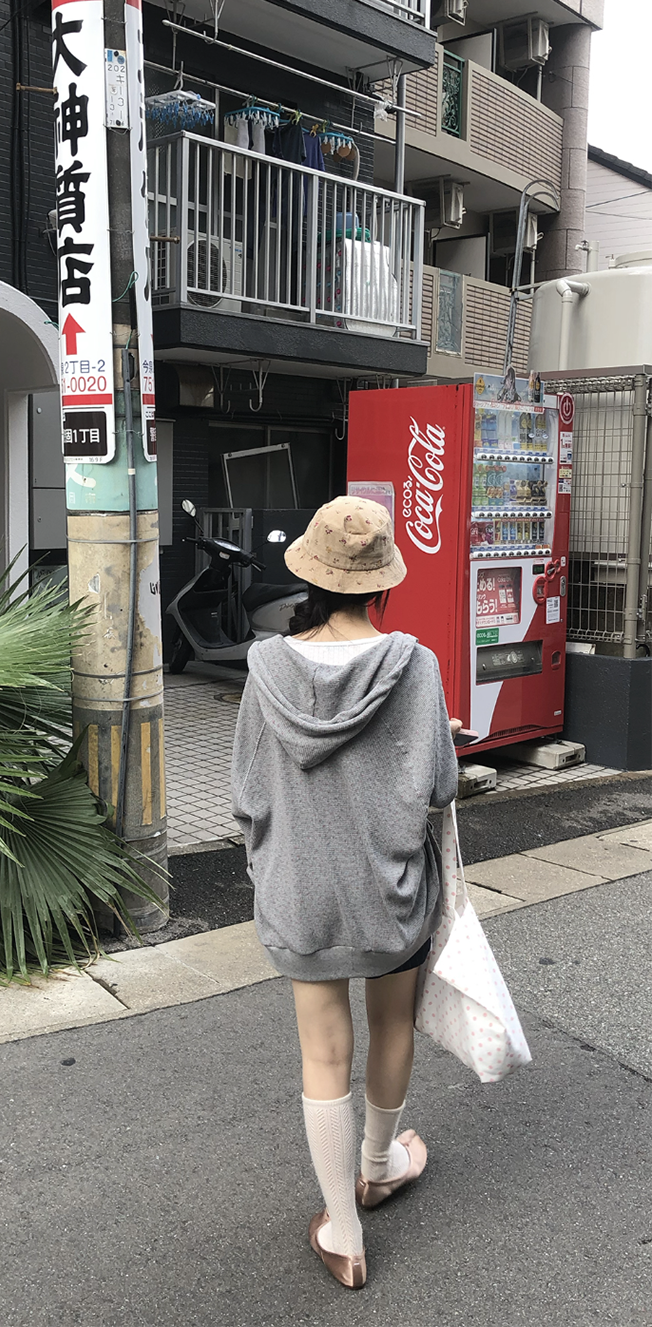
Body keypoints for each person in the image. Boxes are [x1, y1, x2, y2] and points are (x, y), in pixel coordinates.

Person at [231, 495, 459, 1291]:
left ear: (311, 576)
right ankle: (380, 1164)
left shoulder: (266, 668)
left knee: (323, 1054)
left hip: (301, 891)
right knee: (391, 1024)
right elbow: (440, 785)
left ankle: (344, 1231)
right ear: (382, 583)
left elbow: (246, 790)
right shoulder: (415, 666)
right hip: (391, 889)